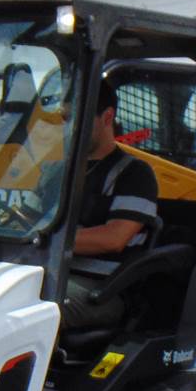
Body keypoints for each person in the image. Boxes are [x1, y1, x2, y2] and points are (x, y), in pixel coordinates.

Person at [63, 80, 160, 329]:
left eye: (77, 118)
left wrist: (47, 238)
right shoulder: (59, 171)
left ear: (107, 117)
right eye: (66, 118)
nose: (70, 127)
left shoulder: (134, 174)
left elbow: (114, 238)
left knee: (33, 310)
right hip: (55, 272)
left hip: (102, 290)